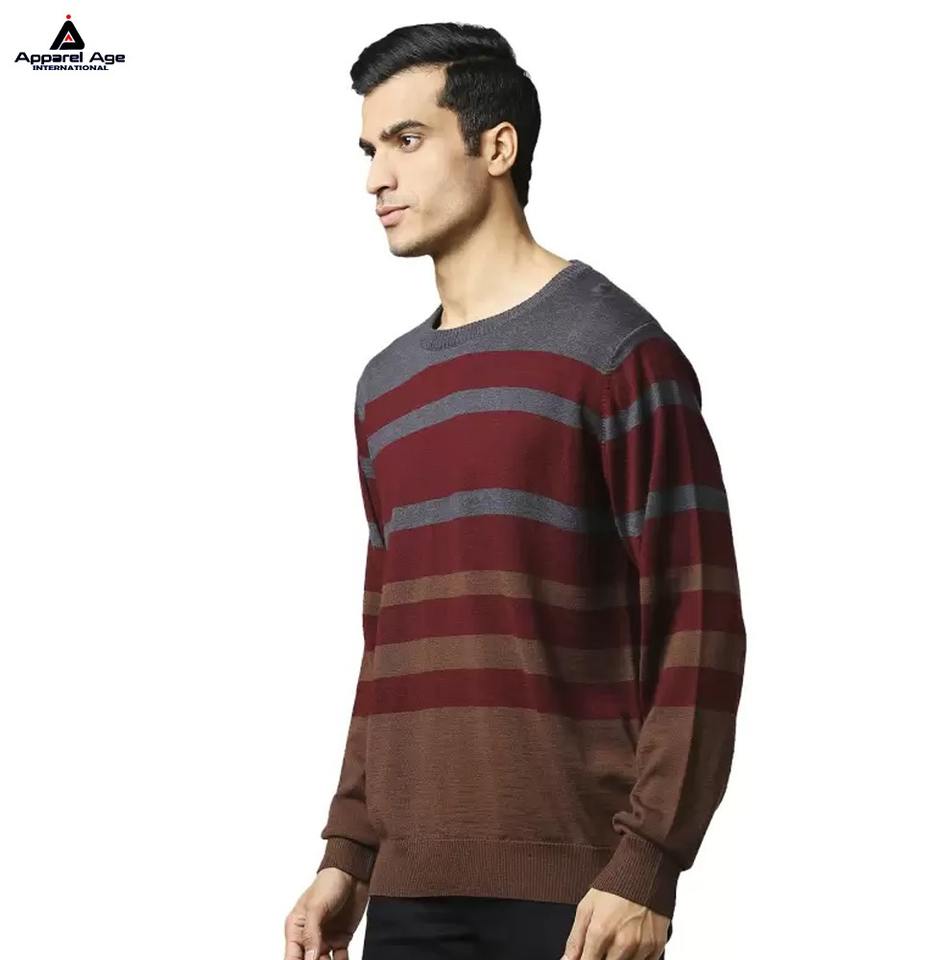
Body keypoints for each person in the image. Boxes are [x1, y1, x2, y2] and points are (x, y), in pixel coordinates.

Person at [284, 21, 747, 960]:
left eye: (407, 140)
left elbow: (699, 624)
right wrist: (351, 849)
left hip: (579, 896)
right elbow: (389, 638)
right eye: (370, 150)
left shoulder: (615, 353)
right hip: (408, 891)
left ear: (497, 147)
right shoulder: (385, 388)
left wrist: (649, 863)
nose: (376, 178)